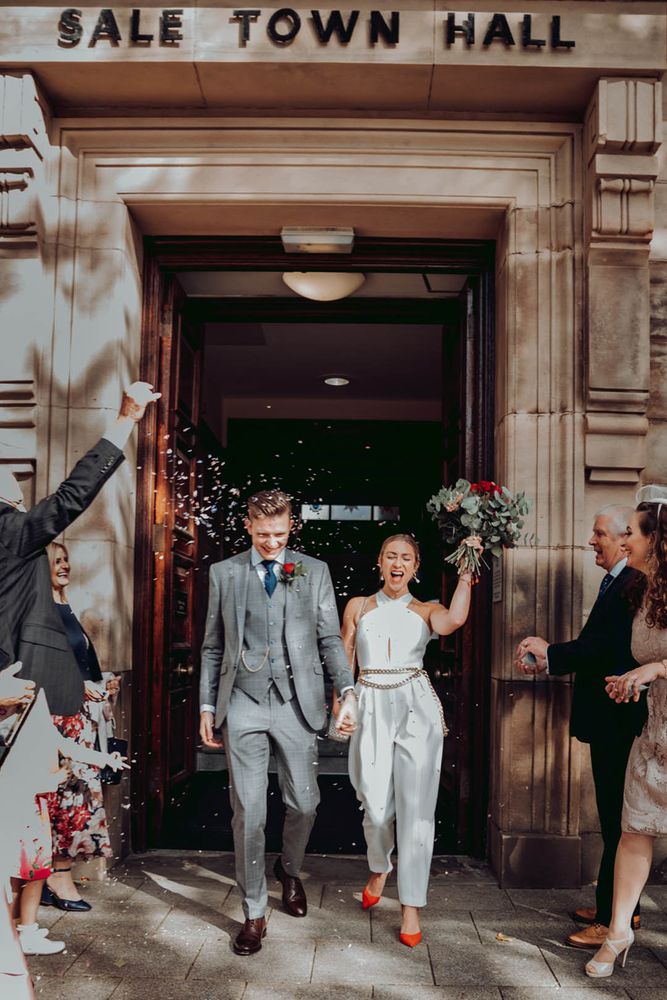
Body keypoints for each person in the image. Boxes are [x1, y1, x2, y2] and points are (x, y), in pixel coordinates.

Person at [199, 489, 357, 956]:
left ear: (291, 529)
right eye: (263, 534)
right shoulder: (224, 573)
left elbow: (330, 639)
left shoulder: (314, 571)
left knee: (304, 803)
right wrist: (208, 706)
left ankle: (289, 869)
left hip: (297, 702)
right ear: (248, 526)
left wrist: (346, 690)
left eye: (280, 534)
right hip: (242, 702)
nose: (271, 543)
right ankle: (253, 912)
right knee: (248, 811)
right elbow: (212, 646)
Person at [516, 506, 646, 949]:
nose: (591, 541)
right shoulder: (620, 580)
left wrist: (551, 651)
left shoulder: (633, 582)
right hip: (609, 714)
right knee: (615, 817)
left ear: (623, 538)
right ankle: (624, 906)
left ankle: (613, 920)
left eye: (598, 534)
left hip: (619, 716)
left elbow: (605, 648)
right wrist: (551, 656)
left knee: (616, 818)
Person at [342, 533, 473, 947]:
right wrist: (343, 703)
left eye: (407, 558)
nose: (398, 563)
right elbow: (345, 659)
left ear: (415, 567)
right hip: (370, 706)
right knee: (376, 808)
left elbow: (454, 621)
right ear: (379, 561)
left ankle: (411, 906)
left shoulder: (426, 610)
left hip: (415, 708)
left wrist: (467, 573)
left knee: (417, 811)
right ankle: (380, 866)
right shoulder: (358, 607)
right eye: (391, 556)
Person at [585, 487, 667, 978]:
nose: (624, 540)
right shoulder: (641, 591)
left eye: (632, 533)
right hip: (653, 728)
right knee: (634, 830)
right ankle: (618, 931)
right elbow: (631, 654)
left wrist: (655, 669)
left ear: (655, 539)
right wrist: (629, 682)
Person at [38, 541, 118, 911]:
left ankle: (55, 874)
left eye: (67, 558)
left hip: (80, 718)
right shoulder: (39, 610)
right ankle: (57, 876)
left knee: (78, 800)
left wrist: (102, 683)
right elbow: (41, 668)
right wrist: (79, 685)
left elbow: (79, 662)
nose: (65, 565)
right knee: (64, 800)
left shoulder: (65, 606)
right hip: (57, 719)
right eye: (57, 561)